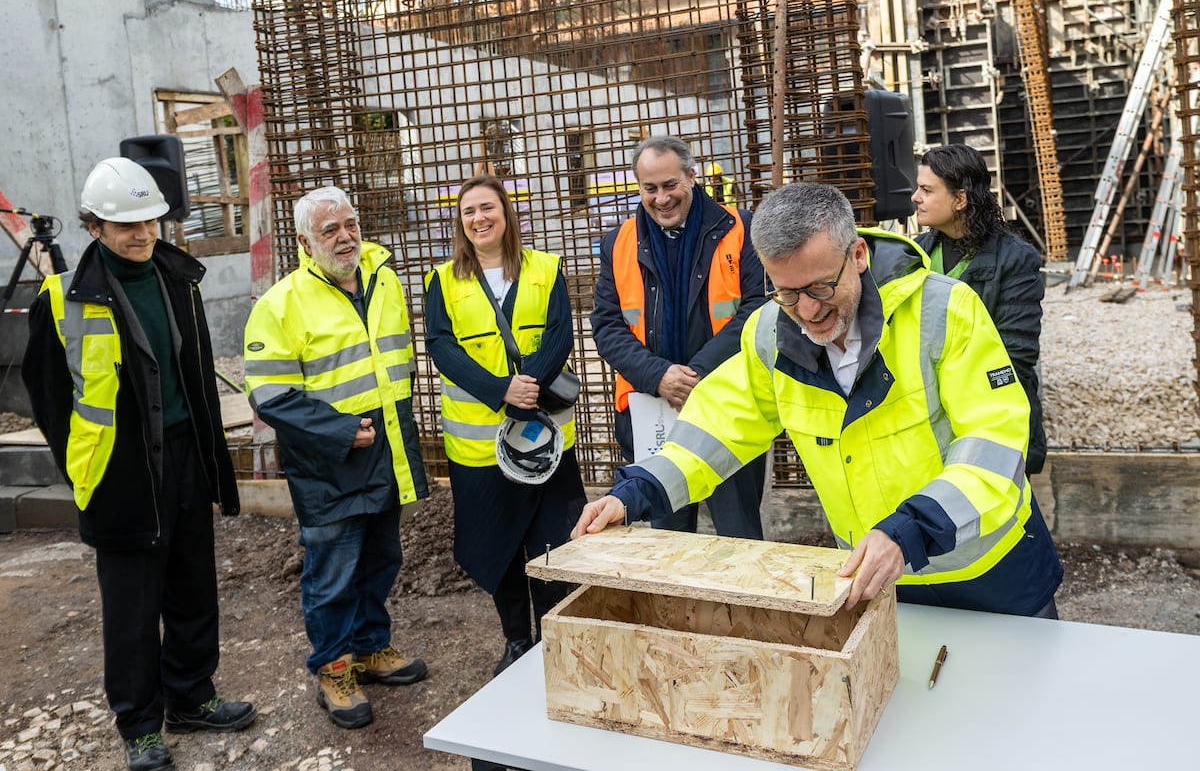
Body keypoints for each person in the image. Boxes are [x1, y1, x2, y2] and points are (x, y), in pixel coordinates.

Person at [574, 182, 1063, 618]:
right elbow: (717, 428)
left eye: (821, 286)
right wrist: (635, 492)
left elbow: (994, 438)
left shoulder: (945, 311)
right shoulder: (770, 333)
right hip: (877, 577)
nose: (807, 311)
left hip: (989, 567)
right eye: (786, 292)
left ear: (858, 257)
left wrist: (910, 529)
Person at [22, 157, 256, 771]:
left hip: (184, 456)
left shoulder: (180, 280)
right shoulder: (63, 299)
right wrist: (84, 473)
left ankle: (191, 697)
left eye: (150, 221)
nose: (142, 234)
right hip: (120, 473)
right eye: (125, 225)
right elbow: (49, 399)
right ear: (94, 227)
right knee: (131, 608)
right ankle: (140, 725)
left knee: (192, 588)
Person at [242, 185, 428, 730]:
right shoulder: (281, 304)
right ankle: (332, 668)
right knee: (332, 574)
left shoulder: (383, 280)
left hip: (386, 451)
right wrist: (342, 431)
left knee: (380, 560)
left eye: (349, 224)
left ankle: (371, 648)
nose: (345, 236)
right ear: (305, 241)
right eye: (330, 230)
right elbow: (271, 395)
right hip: (331, 464)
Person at [424, 175, 584, 677]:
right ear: (461, 221)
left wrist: (527, 385)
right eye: (469, 211)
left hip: (544, 443)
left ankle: (551, 640)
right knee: (499, 547)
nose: (479, 218)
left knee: (551, 545)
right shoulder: (443, 279)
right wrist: (499, 391)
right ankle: (517, 639)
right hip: (480, 450)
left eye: (487, 208)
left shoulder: (544, 268)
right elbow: (440, 346)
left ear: (506, 213)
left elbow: (562, 331)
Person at [590, 136, 768, 539]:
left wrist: (696, 374)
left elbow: (756, 310)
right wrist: (658, 376)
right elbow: (606, 325)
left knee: (738, 537)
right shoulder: (617, 243)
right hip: (651, 411)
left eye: (670, 185)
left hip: (727, 406)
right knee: (666, 539)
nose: (661, 198)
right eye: (649, 188)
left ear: (692, 176)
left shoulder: (742, 229)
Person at [912, 143, 1047, 474]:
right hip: (927, 425)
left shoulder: (1015, 259)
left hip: (991, 421)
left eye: (927, 190)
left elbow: (1015, 356)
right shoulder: (915, 256)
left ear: (960, 200)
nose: (915, 197)